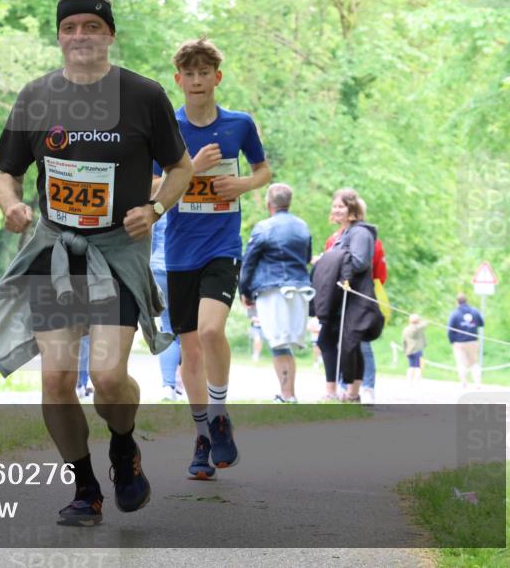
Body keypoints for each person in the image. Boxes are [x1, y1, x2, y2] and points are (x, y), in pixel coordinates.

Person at [0, 0, 194, 527]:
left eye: (92, 26)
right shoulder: (36, 96)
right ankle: (85, 487)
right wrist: (12, 207)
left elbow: (182, 167)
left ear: (110, 34)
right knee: (55, 378)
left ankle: (124, 445)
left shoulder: (143, 96)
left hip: (116, 251)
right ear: (58, 36)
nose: (81, 37)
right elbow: (8, 173)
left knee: (108, 376)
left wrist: (157, 208)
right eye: (71, 27)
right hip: (57, 249)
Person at [153, 38, 272, 478]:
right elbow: (150, 189)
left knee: (210, 329)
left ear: (217, 78)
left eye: (206, 73)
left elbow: (263, 171)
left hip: (222, 247)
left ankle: (220, 415)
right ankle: (202, 436)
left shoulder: (239, 124)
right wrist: (191, 171)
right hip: (180, 252)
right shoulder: (169, 129)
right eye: (190, 73)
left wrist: (243, 185)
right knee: (190, 354)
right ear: (178, 80)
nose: (198, 80)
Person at [238, 183, 313, 404]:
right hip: (300, 289)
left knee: (278, 344)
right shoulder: (302, 226)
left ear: (269, 203)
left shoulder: (264, 227)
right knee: (286, 344)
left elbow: (249, 262)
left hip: (273, 290)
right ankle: (289, 393)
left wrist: (245, 291)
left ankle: (287, 395)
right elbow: (307, 258)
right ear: (288, 202)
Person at [311, 188, 384, 402]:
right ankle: (332, 391)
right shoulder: (340, 235)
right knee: (326, 341)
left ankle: (353, 393)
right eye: (334, 206)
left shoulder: (361, 232)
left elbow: (360, 262)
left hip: (354, 296)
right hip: (336, 297)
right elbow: (342, 258)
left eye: (341, 206)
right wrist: (325, 260)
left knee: (351, 344)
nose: (336, 210)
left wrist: (330, 260)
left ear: (352, 208)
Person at [151, 213, 183, 401]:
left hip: (159, 269)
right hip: (185, 268)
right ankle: (183, 382)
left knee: (169, 328)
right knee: (189, 330)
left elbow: (151, 240)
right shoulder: (194, 200)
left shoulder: (162, 203)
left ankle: (168, 386)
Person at [447, 293, 484, 388]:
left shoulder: (455, 314)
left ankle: (464, 382)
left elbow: (450, 330)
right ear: (466, 301)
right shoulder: (475, 311)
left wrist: (452, 341)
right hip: (473, 341)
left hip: (459, 343)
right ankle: (477, 383)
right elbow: (481, 323)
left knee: (461, 363)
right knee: (474, 363)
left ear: (457, 302)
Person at [402, 313, 428, 388]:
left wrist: (405, 350)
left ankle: (409, 382)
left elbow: (404, 341)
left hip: (409, 351)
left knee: (411, 366)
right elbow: (424, 325)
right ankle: (416, 383)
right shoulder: (417, 329)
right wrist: (423, 321)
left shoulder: (406, 329)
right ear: (418, 321)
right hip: (417, 350)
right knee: (418, 367)